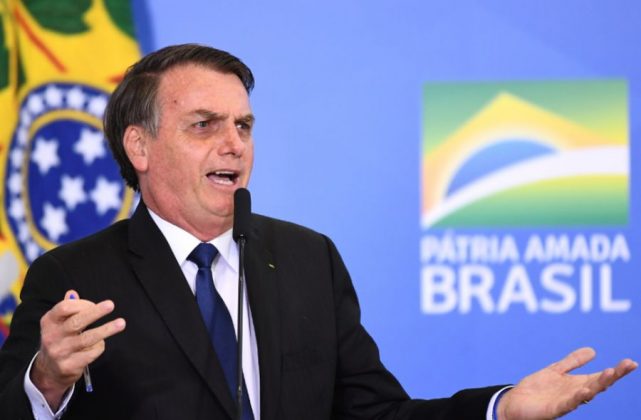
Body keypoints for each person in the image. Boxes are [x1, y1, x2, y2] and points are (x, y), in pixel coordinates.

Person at [0, 44, 636, 420]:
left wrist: (500, 409)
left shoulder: (307, 258)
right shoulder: (74, 275)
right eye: (204, 125)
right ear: (139, 146)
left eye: (244, 126)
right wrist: (47, 380)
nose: (234, 144)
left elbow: (377, 414)